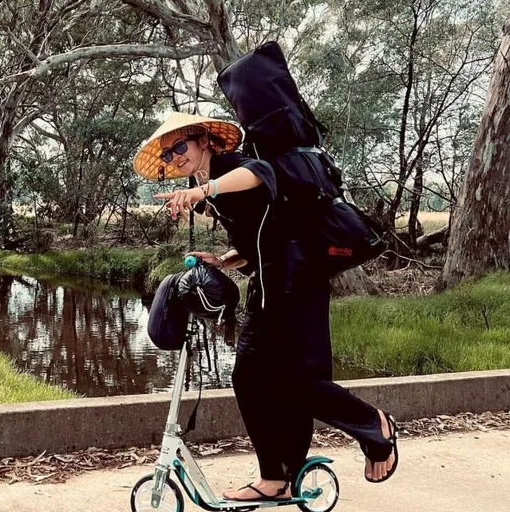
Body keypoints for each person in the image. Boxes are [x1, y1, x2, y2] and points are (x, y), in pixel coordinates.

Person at [133, 112, 398, 502]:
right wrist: (226, 261)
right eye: (169, 155)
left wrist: (205, 192)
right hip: (268, 283)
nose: (176, 158)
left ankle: (373, 425)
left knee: (295, 381)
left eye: (180, 146)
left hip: (299, 281)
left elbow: (263, 173)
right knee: (249, 377)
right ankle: (275, 477)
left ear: (204, 140)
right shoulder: (210, 184)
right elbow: (264, 236)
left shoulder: (231, 166)